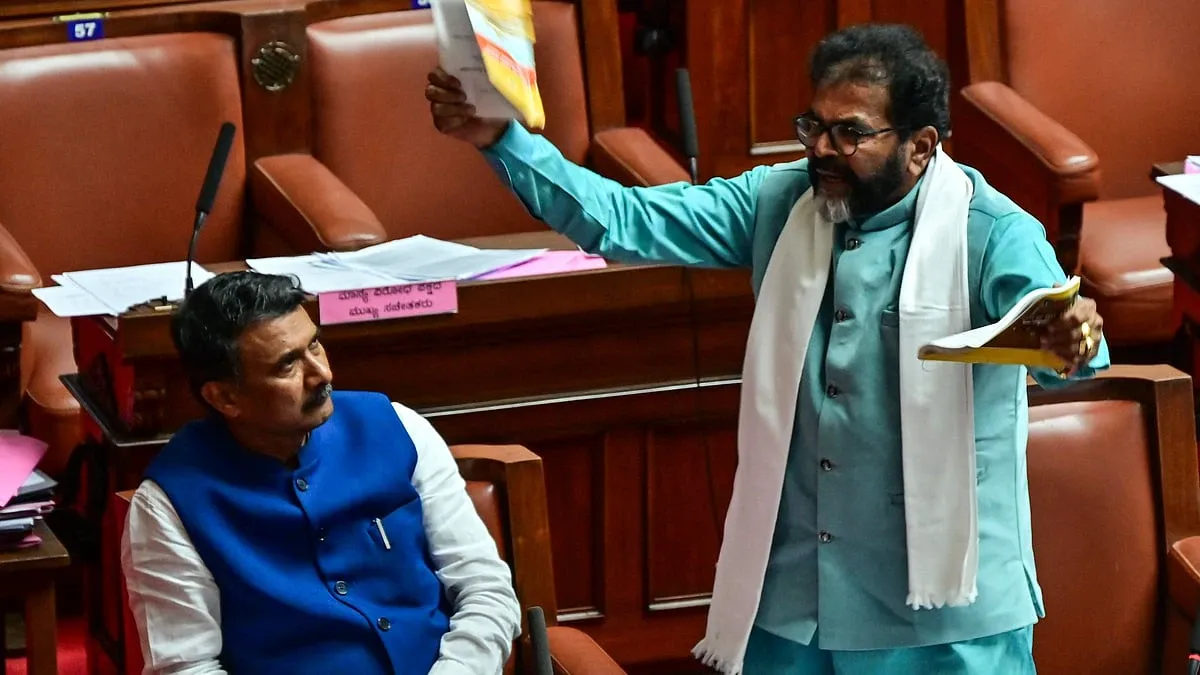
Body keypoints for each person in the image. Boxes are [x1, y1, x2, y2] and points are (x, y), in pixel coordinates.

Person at [427, 22, 1107, 675]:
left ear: (920, 146)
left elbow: (1060, 339)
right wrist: (503, 140)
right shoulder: (781, 200)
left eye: (851, 133)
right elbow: (622, 220)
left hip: (942, 616)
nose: (822, 150)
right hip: (797, 600)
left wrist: (1068, 338)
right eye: (814, 126)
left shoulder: (992, 230)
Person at [120, 271, 521, 675]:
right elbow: (186, 667)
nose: (322, 374)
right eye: (287, 365)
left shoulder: (399, 427)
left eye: (314, 344)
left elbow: (485, 589)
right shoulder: (170, 503)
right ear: (224, 397)